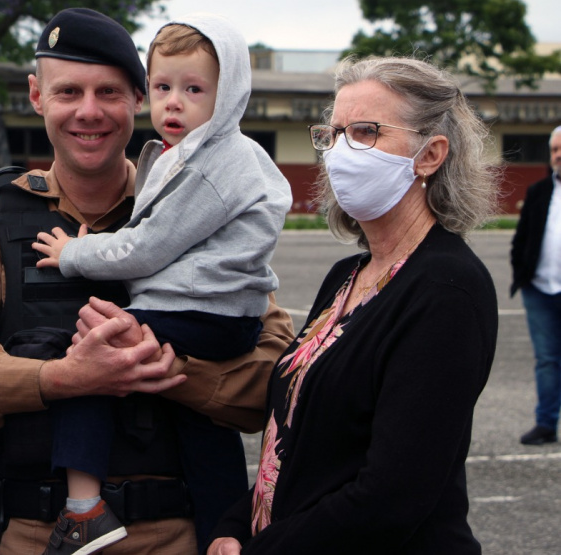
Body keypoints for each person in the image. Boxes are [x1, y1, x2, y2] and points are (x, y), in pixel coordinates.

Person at [0, 7, 294, 555]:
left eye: (109, 92)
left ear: (139, 97)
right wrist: (59, 379)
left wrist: (170, 369)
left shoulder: (198, 205)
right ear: (37, 96)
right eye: (68, 93)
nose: (88, 112)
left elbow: (278, 373)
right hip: (40, 536)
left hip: (177, 535)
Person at [208, 56, 499, 554]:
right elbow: (295, 437)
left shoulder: (447, 290)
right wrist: (235, 526)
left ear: (429, 155)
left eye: (366, 132)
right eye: (333, 133)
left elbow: (392, 495)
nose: (340, 152)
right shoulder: (347, 275)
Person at [32, 14, 291, 553]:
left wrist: (74, 251)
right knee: (203, 423)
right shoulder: (196, 156)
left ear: (230, 94)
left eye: (194, 89)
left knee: (87, 355)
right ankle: (225, 531)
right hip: (216, 316)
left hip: (202, 313)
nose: (174, 102)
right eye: (163, 86)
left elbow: (146, 246)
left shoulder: (214, 164)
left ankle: (83, 509)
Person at [511, 126, 561, 446]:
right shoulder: (539, 191)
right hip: (540, 291)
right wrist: (521, 274)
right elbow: (522, 238)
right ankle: (545, 424)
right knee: (547, 361)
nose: (558, 156)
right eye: (555, 150)